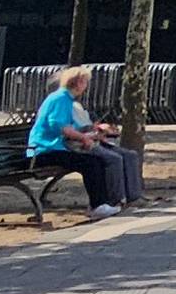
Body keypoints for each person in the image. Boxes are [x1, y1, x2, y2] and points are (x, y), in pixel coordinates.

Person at [30, 66, 133, 219]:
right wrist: (84, 138)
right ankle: (98, 205)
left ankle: (100, 203)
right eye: (85, 81)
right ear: (77, 82)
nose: (86, 85)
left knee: (95, 160)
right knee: (90, 163)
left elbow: (69, 127)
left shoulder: (63, 98)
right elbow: (60, 126)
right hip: (45, 150)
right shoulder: (61, 99)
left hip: (54, 147)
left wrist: (90, 132)